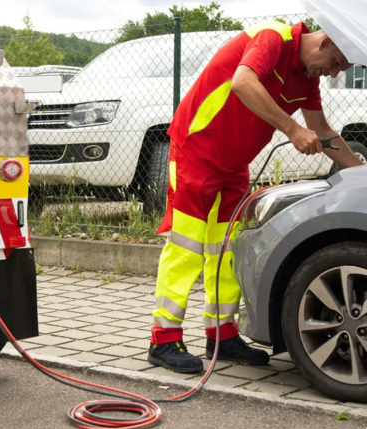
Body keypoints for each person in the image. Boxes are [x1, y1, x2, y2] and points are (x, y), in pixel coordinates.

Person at [148, 20, 363, 373]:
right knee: (187, 247)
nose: (331, 73)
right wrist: (293, 129)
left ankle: (222, 334)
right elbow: (243, 82)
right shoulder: (273, 38)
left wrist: (360, 174)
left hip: (233, 164)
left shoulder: (306, 79)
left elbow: (322, 130)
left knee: (227, 251)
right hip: (196, 150)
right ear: (324, 43)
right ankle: (163, 339)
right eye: (337, 63)